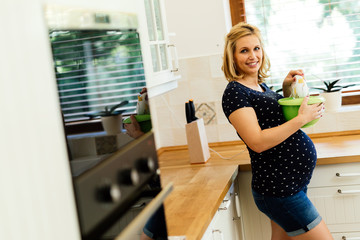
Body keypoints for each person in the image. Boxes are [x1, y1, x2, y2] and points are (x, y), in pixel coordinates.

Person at [221, 22, 332, 240]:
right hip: (279, 189)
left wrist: (287, 88)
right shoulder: (235, 92)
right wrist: (301, 119)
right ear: (232, 57)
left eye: (256, 48)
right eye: (244, 51)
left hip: (290, 185)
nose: (253, 56)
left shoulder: (261, 87)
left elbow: (274, 119)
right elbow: (258, 142)